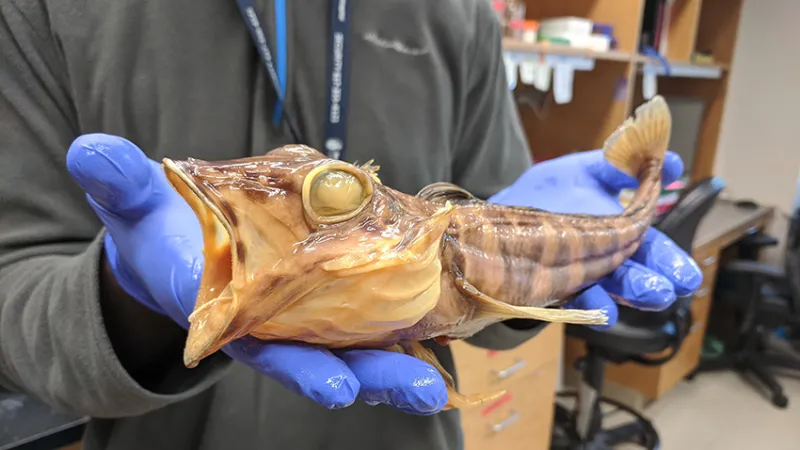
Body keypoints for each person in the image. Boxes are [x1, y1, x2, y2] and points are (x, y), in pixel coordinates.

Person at [0, 1, 702, 449]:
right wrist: (136, 304)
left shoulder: (458, 14)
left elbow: (488, 272)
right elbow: (14, 303)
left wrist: (528, 274)